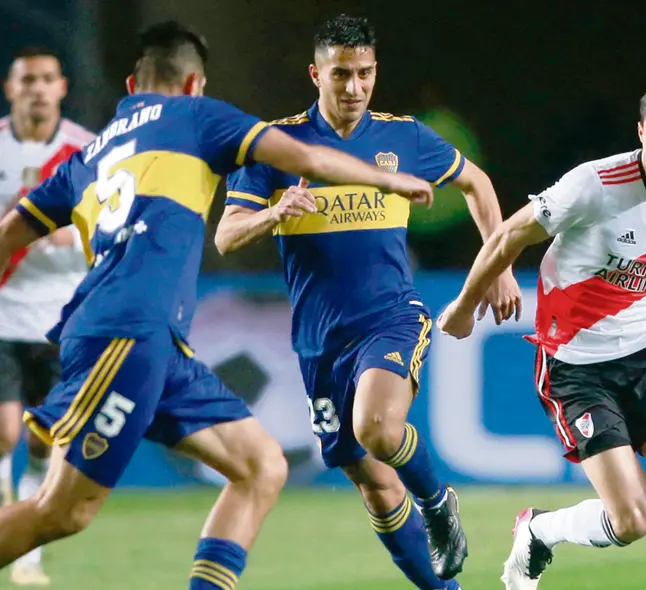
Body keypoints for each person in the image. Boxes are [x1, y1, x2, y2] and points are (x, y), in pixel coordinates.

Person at [0, 20, 434, 590]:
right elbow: (306, 157)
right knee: (63, 512)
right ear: (194, 84)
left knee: (260, 468)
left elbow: (10, 232)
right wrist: (394, 182)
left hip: (154, 342)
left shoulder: (90, 152)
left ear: (133, 83)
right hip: (124, 333)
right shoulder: (196, 117)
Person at [219, 14, 519, 589]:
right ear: (316, 74)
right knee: (375, 485)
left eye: (364, 74)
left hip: (391, 317)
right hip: (316, 340)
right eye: (341, 75)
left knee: (379, 428)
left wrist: (497, 263)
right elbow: (227, 235)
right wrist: (273, 214)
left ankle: (437, 501)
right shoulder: (275, 145)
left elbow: (476, 183)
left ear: (375, 73)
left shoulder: (403, 137)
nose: (353, 88)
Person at [438, 78, 646, 590]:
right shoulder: (594, 184)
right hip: (575, 363)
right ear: (641, 132)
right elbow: (509, 234)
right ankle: (541, 529)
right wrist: (464, 305)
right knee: (634, 520)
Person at [0, 46, 93, 586]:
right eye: (26, 79)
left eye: (46, 79)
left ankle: (26, 547)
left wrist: (63, 228)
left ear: (61, 87)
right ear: (11, 88)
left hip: (62, 317)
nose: (37, 88)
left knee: (44, 438)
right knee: (4, 429)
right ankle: (13, 535)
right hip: (3, 314)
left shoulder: (85, 149)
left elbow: (109, 222)